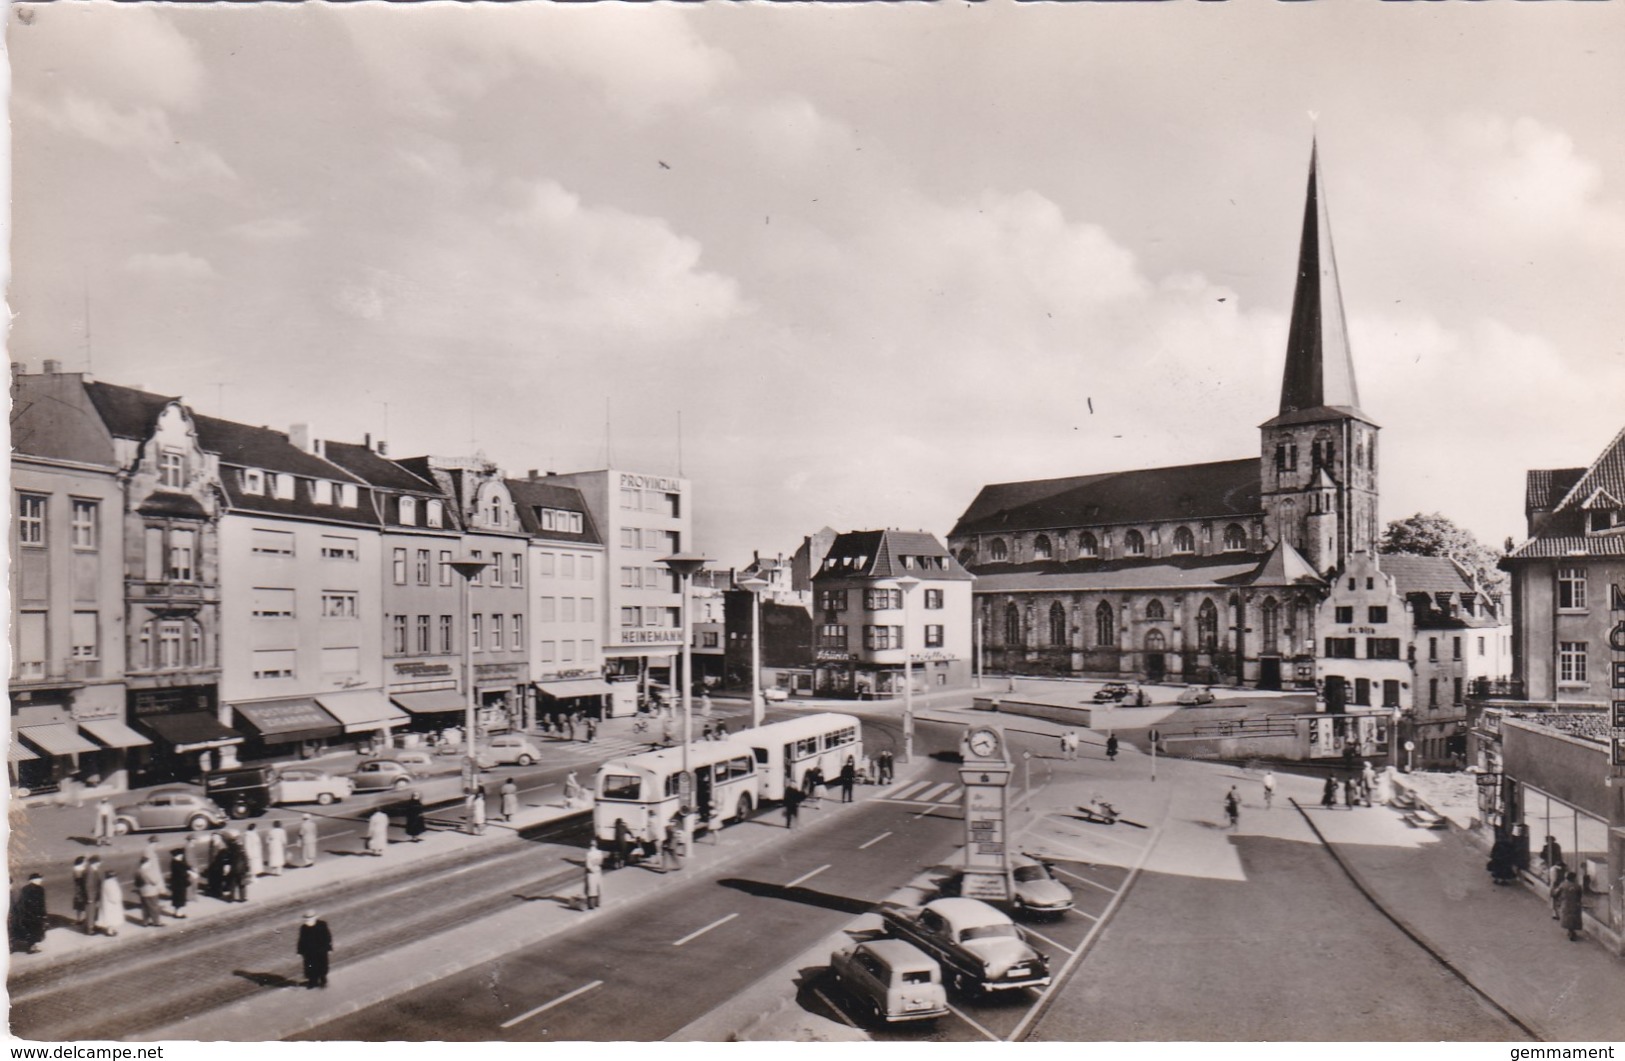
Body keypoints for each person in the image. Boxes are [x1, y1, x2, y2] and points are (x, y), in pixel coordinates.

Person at [296, 910, 334, 988]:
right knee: (310, 967)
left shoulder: (322, 925)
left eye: (309, 918)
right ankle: (313, 982)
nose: (308, 920)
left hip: (321, 950)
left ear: (315, 918)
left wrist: (329, 948)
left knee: (322, 966)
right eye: (306, 919)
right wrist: (299, 951)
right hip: (309, 952)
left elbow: (327, 937)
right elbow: (301, 940)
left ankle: (323, 981)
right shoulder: (304, 927)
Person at [14, 873, 48, 953]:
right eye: (39, 879)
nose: (41, 880)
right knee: (36, 930)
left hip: (27, 914)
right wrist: (44, 915)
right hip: (36, 913)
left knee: (30, 930)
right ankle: (32, 948)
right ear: (35, 880)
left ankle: (31, 945)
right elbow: (41, 903)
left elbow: (22, 902)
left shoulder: (25, 888)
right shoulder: (40, 889)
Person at [137, 847, 165, 927]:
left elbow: (137, 882)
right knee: (154, 907)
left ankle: (145, 922)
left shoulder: (138, 871)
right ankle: (156, 922)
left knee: (145, 907)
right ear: (146, 863)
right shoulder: (148, 871)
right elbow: (154, 881)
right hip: (151, 892)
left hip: (143, 891)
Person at [1554, 871, 1584, 942]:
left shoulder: (1563, 885)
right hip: (1575, 904)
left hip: (1566, 903)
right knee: (1574, 918)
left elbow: (1556, 893)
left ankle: (1570, 930)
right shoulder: (1577, 886)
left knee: (1567, 917)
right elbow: (1579, 895)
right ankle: (1572, 930)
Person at [168, 847, 195, 919]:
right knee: (180, 899)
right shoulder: (176, 863)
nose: (181, 857)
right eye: (180, 855)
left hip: (177, 884)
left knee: (178, 898)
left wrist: (189, 870)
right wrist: (189, 873)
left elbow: (185, 866)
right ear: (177, 856)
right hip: (179, 884)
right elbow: (182, 872)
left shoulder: (176, 862)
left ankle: (176, 912)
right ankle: (178, 914)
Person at [97, 868, 124, 936]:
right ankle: (110, 931)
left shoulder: (107, 882)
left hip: (110, 904)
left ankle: (112, 929)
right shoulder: (110, 884)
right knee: (111, 918)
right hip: (111, 904)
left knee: (112, 917)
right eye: (115, 876)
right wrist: (117, 899)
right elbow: (112, 895)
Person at [83, 856, 104, 933]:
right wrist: (89, 897)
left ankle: (93, 926)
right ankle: (89, 930)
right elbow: (88, 885)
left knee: (94, 911)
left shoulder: (94, 869)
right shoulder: (90, 871)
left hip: (95, 895)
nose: (100, 863)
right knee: (90, 912)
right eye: (99, 862)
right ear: (95, 862)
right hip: (91, 896)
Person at [71, 856, 90, 934]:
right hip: (81, 889)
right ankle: (81, 919)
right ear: (81, 862)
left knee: (79, 904)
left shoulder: (78, 868)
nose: (86, 863)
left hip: (79, 889)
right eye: (85, 861)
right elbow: (80, 880)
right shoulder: (78, 869)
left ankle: (79, 919)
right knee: (83, 903)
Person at [583, 841, 604, 910]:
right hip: (598, 871)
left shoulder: (589, 854)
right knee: (598, 887)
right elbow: (601, 862)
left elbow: (588, 865)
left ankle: (591, 905)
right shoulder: (599, 852)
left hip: (591, 873)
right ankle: (598, 903)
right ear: (596, 845)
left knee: (591, 888)